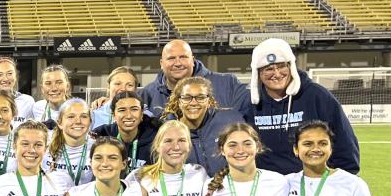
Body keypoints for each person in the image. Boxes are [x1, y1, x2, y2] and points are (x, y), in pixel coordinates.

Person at [249, 38, 360, 174]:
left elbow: (344, 141)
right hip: (268, 187)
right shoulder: (250, 103)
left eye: (282, 66)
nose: (277, 74)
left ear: (291, 66)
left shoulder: (317, 96)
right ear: (258, 73)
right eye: (269, 69)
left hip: (311, 184)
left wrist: (347, 177)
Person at [140, 39, 252, 121]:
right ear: (161, 63)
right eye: (171, 58)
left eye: (183, 57)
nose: (178, 63)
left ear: (193, 60)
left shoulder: (227, 84)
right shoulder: (148, 93)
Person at [159, 76, 244, 176]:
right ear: (179, 102)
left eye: (201, 97)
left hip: (226, 187)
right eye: (187, 98)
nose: (194, 103)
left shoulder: (230, 121)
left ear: (209, 101)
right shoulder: (168, 130)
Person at [91, 90, 158, 173]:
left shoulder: (156, 139)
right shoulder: (101, 135)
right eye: (122, 110)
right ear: (113, 115)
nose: (129, 115)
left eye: (134, 109)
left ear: (141, 115)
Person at [44, 98, 94, 185]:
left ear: (90, 122)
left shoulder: (98, 149)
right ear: (59, 123)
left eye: (84, 116)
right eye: (71, 117)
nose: (78, 121)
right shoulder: (45, 147)